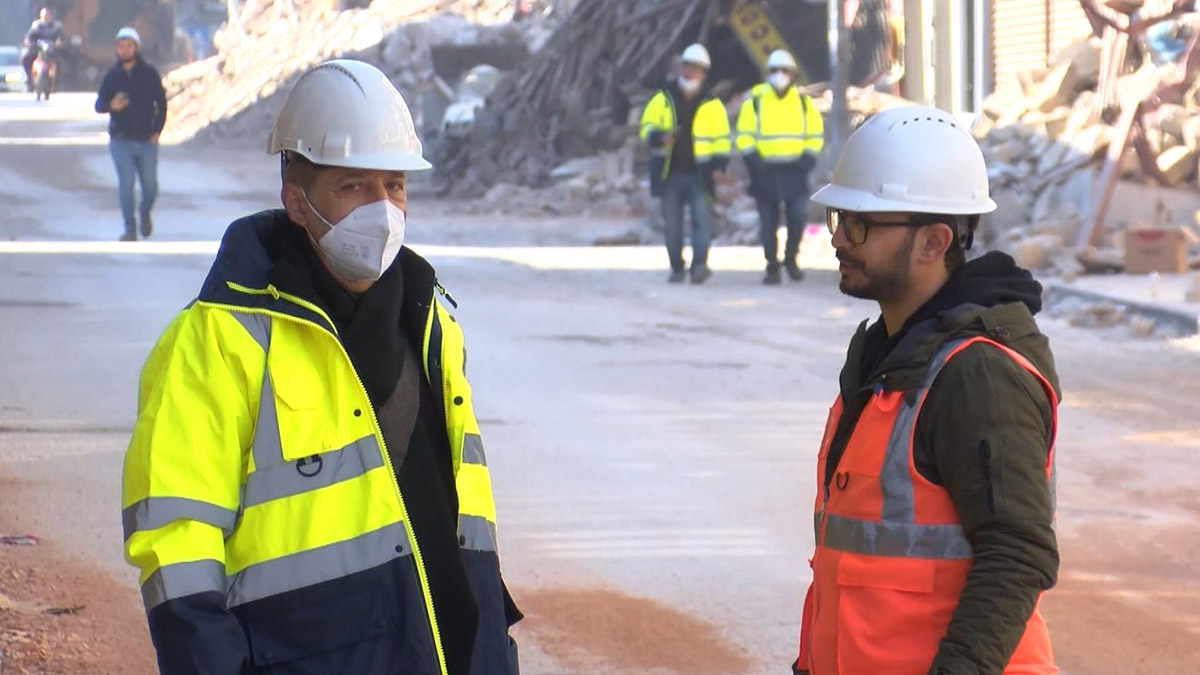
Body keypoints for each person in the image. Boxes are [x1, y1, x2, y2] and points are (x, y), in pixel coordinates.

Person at [121, 59, 521, 674]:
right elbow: (177, 547)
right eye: (354, 186)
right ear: (297, 202)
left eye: (394, 186)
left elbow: (465, 522)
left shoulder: (432, 324)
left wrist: (494, 653)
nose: (381, 210)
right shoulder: (217, 341)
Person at [793, 105, 1060, 675]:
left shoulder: (976, 373)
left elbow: (1016, 552)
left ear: (935, 241)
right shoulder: (887, 359)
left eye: (861, 224)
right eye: (840, 216)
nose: (838, 237)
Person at [639, 43, 731, 284]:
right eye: (688, 67)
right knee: (673, 226)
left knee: (702, 221)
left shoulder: (713, 105)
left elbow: (722, 140)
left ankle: (699, 266)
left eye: (696, 68)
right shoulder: (662, 98)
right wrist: (659, 137)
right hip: (669, 173)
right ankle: (677, 268)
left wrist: (720, 167)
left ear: (704, 73)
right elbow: (646, 127)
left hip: (700, 174)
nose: (690, 72)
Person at [735, 49, 823, 285]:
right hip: (765, 172)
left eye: (784, 71)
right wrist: (752, 160)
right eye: (774, 71)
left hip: (795, 170)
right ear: (767, 74)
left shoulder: (804, 103)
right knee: (768, 223)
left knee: (797, 218)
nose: (780, 75)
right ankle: (772, 267)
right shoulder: (754, 102)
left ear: (793, 75)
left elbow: (815, 134)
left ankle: (791, 259)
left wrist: (809, 157)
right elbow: (744, 136)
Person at [95, 28, 167, 242]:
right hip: (121, 139)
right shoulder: (112, 76)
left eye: (128, 46)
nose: (124, 50)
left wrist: (157, 131)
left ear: (136, 48)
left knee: (150, 186)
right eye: (120, 46)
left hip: (147, 140)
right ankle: (129, 227)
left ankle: (145, 212)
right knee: (126, 184)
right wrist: (111, 105)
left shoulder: (149, 74)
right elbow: (99, 105)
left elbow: (161, 104)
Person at [21, 7, 62, 92]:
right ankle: (28, 82)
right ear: (40, 16)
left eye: (47, 15)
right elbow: (29, 37)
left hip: (51, 51)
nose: (46, 17)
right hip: (37, 50)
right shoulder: (36, 26)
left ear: (50, 16)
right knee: (26, 58)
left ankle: (57, 83)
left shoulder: (56, 26)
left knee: (60, 62)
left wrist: (59, 42)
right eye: (44, 15)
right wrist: (28, 42)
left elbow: (60, 37)